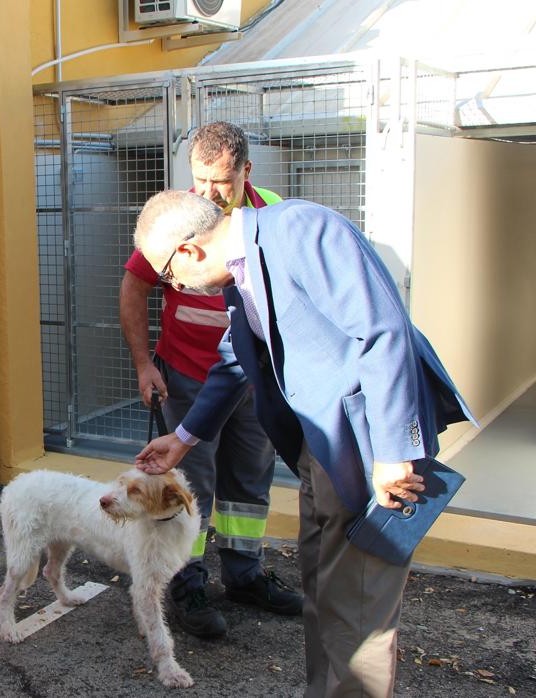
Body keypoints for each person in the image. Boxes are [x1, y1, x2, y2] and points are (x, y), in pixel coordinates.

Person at [132, 191, 472, 697]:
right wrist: (183, 438)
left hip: (367, 448)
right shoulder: (242, 269)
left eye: (167, 275)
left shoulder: (303, 230)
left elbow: (384, 331)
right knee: (325, 590)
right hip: (322, 449)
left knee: (358, 605)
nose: (173, 287)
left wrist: (394, 452)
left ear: (188, 252)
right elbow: (234, 358)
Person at [119, 121, 301, 639]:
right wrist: (143, 364)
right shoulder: (180, 218)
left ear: (247, 170)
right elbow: (134, 286)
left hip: (251, 377)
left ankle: (244, 575)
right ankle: (184, 582)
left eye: (220, 181)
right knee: (188, 483)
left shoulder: (273, 212)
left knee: (249, 478)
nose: (207, 192)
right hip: (189, 376)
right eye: (199, 179)